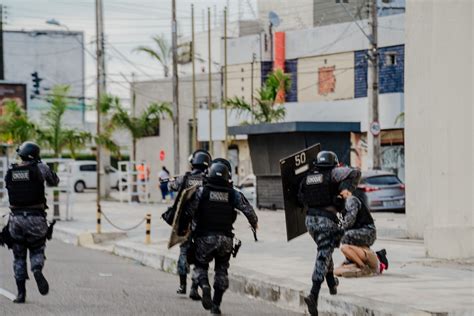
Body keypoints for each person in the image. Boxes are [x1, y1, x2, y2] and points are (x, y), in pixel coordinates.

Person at [179, 159, 258, 315]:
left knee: (201, 266)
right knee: (222, 270)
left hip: (204, 238)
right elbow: (250, 212)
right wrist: (254, 226)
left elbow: (188, 212)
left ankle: (204, 286)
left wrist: (184, 229)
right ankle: (216, 306)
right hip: (226, 240)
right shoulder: (234, 194)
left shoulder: (202, 192)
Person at [297, 151, 361, 316]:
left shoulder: (308, 177)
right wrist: (345, 190)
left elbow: (300, 197)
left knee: (325, 249)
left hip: (310, 221)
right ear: (334, 163)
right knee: (323, 253)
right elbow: (355, 173)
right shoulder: (333, 172)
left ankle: (332, 283)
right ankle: (314, 294)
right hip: (327, 220)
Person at [4, 141, 59, 303]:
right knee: (36, 249)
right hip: (36, 218)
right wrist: (44, 166)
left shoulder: (12, 170)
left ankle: (21, 294)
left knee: (19, 256)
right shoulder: (40, 168)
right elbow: (54, 181)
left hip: (16, 220)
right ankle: (36, 269)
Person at [168, 150, 211, 300]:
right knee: (200, 256)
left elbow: (171, 187)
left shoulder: (186, 178)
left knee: (184, 252)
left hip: (186, 223)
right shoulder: (208, 179)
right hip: (203, 224)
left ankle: (182, 285)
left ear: (193, 163)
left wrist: (174, 181)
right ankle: (195, 287)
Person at [336, 190, 388, 277]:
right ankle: (373, 257)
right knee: (337, 270)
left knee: (345, 237)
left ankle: (361, 265)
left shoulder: (351, 199)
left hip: (367, 231)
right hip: (361, 232)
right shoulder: (343, 204)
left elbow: (349, 222)